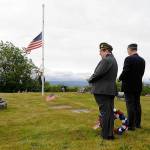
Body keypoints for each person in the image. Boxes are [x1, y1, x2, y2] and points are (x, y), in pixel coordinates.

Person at [88, 42, 118, 140]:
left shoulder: (106, 60)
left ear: (105, 50)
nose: (99, 54)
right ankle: (109, 134)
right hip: (109, 90)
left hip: (102, 90)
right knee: (109, 113)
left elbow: (97, 74)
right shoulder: (113, 60)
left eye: (100, 51)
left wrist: (90, 79)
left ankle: (105, 135)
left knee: (105, 113)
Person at [119, 43, 145, 130]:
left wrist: (120, 78)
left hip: (129, 86)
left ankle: (130, 125)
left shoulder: (128, 59)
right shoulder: (142, 60)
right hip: (138, 85)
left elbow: (125, 71)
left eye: (127, 50)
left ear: (130, 49)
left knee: (129, 104)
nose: (127, 52)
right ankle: (138, 124)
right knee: (137, 104)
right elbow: (141, 73)